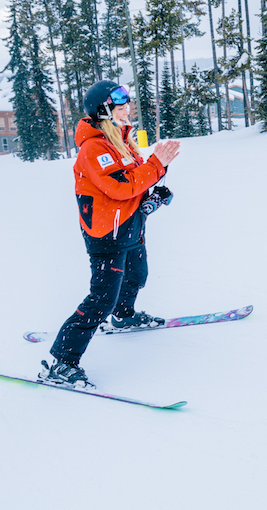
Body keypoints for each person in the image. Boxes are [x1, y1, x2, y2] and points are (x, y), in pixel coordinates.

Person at [41, 80, 180, 388]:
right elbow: (118, 187)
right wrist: (157, 165)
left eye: (127, 105)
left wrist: (152, 195)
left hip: (129, 227)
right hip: (107, 235)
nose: (128, 110)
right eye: (121, 107)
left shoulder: (122, 141)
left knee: (137, 276)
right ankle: (61, 362)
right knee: (100, 300)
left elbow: (136, 181)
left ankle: (124, 314)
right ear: (104, 112)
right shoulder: (94, 149)